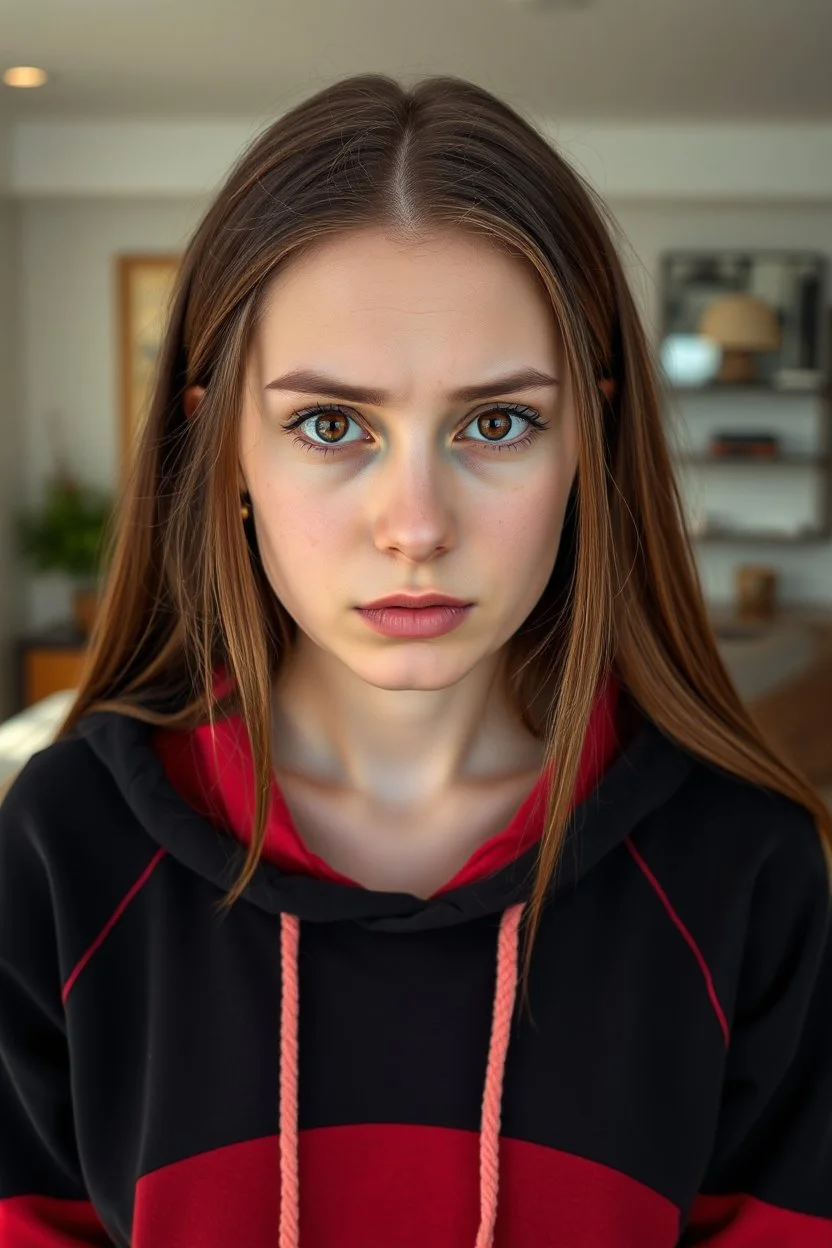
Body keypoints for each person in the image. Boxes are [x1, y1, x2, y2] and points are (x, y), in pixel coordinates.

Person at [0, 72, 830, 1248]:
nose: (416, 523)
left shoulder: (744, 869)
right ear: (222, 445)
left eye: (497, 423)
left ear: (588, 443)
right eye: (330, 425)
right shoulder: (63, 844)